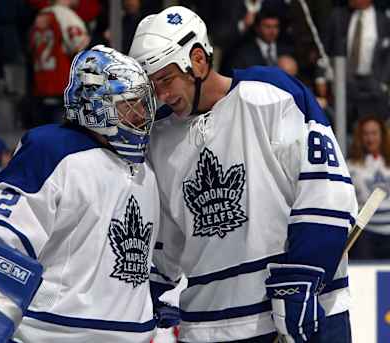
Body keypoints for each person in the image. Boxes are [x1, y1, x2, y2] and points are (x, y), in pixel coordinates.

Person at [129, 6, 357, 343]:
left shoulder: (270, 95)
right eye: (152, 85)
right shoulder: (159, 137)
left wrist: (304, 277)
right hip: (207, 328)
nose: (161, 94)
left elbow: (326, 191)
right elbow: (164, 238)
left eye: (166, 79)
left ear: (198, 61)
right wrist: (151, 293)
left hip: (304, 313)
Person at [0, 45, 174, 343]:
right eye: (130, 105)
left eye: (144, 105)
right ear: (95, 106)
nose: (142, 115)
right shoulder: (53, 150)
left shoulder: (145, 168)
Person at [29, 0, 89, 127]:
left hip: (42, 82)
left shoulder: (41, 16)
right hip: (62, 83)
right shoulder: (66, 16)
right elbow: (80, 46)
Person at [347, 115, 390, 260]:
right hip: (365, 233)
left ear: (382, 135)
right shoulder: (351, 165)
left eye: (374, 133)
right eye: (366, 133)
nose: (370, 138)